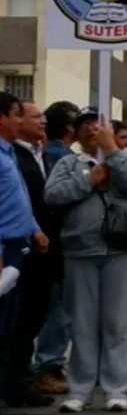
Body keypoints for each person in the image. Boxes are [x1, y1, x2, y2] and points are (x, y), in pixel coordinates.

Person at [45, 108, 127, 412]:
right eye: (84, 126)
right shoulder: (68, 163)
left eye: (97, 125)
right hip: (81, 250)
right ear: (75, 134)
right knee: (83, 323)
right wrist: (89, 180)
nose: (91, 130)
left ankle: (116, 388)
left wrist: (113, 153)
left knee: (116, 323)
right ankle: (80, 389)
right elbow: (53, 196)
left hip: (123, 249)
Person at [3, 100, 58, 408]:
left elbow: (20, 200)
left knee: (24, 322)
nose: (42, 121)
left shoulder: (21, 154)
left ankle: (17, 382)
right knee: (10, 323)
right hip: (7, 252)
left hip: (32, 250)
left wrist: (35, 228)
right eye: (34, 116)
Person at [32, 100, 80, 396]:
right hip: (54, 244)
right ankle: (47, 367)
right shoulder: (57, 158)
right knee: (59, 311)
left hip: (53, 243)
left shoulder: (54, 155)